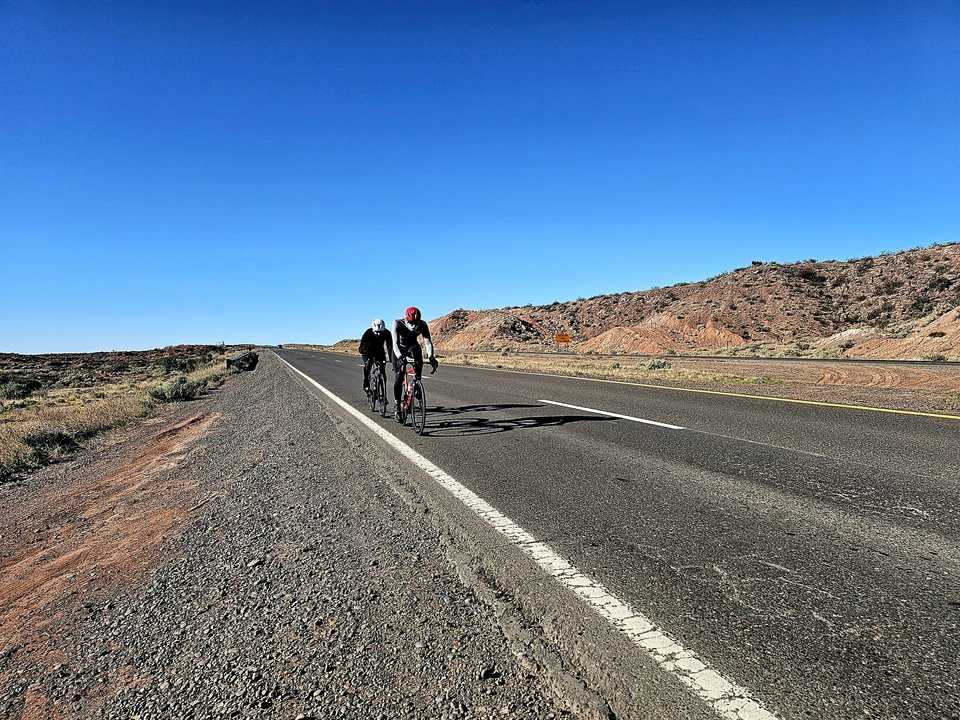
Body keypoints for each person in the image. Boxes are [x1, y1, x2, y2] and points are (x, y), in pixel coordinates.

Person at [392, 306, 438, 421]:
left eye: (416, 322)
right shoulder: (397, 323)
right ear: (406, 319)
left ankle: (417, 383)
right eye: (411, 322)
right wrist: (400, 358)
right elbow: (395, 344)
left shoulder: (422, 324)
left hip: (413, 347)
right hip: (399, 349)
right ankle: (397, 405)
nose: (414, 325)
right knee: (399, 376)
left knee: (418, 359)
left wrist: (431, 356)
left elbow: (427, 341)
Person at [358, 319, 392, 396]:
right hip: (368, 351)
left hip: (379, 352)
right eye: (376, 332)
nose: (378, 334)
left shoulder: (387, 333)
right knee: (368, 365)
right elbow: (362, 345)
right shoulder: (368, 332)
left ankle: (384, 394)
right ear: (373, 329)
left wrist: (391, 358)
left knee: (382, 372)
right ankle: (366, 385)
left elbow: (390, 346)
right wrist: (363, 350)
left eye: (380, 332)